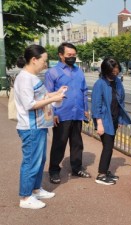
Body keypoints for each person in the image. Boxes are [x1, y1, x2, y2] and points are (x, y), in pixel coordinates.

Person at [14, 45, 66, 209]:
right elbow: (30, 104)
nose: (46, 64)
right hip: (31, 126)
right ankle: (25, 197)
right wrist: (53, 99)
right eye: (44, 60)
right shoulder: (24, 78)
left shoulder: (32, 77)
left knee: (39, 159)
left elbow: (42, 96)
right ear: (34, 60)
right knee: (31, 162)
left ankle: (35, 189)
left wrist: (56, 93)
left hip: (39, 124)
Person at [45, 42, 91, 184]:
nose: (72, 57)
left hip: (77, 113)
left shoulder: (79, 71)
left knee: (77, 143)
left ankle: (77, 168)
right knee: (59, 143)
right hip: (61, 114)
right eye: (69, 55)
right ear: (60, 55)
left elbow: (84, 91)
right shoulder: (52, 72)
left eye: (74, 55)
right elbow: (48, 95)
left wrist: (86, 109)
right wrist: (53, 114)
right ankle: (54, 170)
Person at [91, 58, 131, 185]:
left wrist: (120, 119)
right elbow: (96, 105)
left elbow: (121, 101)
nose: (115, 73)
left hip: (114, 118)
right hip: (104, 119)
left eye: (117, 70)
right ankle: (101, 174)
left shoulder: (118, 82)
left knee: (109, 146)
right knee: (108, 147)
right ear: (106, 71)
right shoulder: (100, 84)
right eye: (113, 71)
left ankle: (105, 170)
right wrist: (99, 124)